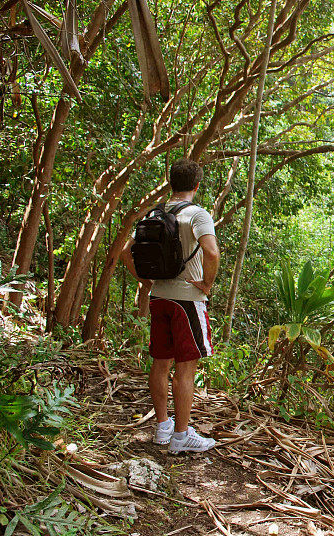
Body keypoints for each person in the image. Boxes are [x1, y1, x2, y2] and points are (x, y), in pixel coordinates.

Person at [121, 158, 220, 453]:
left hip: (159, 298)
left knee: (160, 362)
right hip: (188, 301)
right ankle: (181, 436)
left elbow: (127, 250)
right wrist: (207, 284)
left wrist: (143, 279)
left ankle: (162, 428)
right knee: (186, 367)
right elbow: (212, 253)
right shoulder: (197, 215)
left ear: (171, 183)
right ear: (197, 185)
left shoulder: (156, 212)